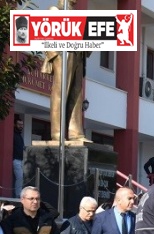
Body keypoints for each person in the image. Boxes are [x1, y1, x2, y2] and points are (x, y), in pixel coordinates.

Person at [41, 0, 91, 142]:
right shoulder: (54, 10)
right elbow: (46, 34)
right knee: (61, 91)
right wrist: (54, 55)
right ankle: (57, 133)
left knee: (76, 93)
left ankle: (75, 133)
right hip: (63, 53)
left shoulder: (77, 14)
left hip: (78, 55)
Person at [13, 118, 25, 198]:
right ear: (15, 125)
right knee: (19, 177)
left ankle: (19, 193)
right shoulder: (13, 134)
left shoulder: (19, 135)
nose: (21, 126)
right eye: (19, 124)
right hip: (15, 159)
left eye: (22, 124)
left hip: (21, 160)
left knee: (21, 177)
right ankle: (18, 194)